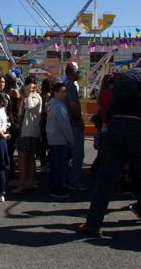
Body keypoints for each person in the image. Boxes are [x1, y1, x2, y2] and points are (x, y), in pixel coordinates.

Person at [76, 53, 141, 236]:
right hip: (138, 128)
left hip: (114, 127)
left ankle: (92, 223)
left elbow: (108, 104)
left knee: (106, 178)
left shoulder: (122, 77)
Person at [14, 79, 42, 193]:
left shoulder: (35, 97)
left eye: (30, 87)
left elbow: (29, 106)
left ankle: (22, 185)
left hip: (29, 132)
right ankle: (28, 182)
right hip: (27, 131)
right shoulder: (25, 98)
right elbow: (20, 114)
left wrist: (29, 93)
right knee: (29, 158)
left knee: (23, 158)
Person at [45, 83, 73, 199]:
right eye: (62, 91)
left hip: (53, 138)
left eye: (65, 92)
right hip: (60, 139)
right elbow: (65, 125)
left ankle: (54, 187)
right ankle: (57, 189)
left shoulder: (52, 104)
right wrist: (71, 140)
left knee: (55, 166)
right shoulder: (59, 106)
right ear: (55, 92)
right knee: (60, 167)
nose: (64, 94)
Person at [64, 62, 88, 191]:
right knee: (78, 154)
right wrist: (79, 120)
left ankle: (67, 179)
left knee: (68, 154)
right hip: (74, 123)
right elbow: (73, 105)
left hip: (67, 123)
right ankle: (75, 181)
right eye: (77, 71)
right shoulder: (72, 86)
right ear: (73, 72)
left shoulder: (66, 84)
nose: (79, 73)